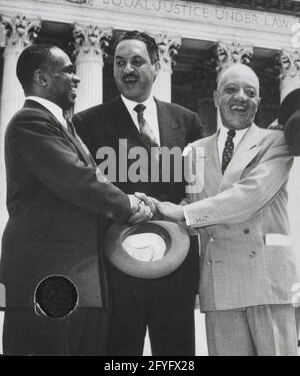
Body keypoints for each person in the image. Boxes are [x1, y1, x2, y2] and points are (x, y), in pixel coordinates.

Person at [0, 44, 152, 356]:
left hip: (81, 284)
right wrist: (129, 205)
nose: (77, 77)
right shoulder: (30, 122)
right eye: (68, 70)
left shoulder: (62, 126)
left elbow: (89, 179)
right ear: (42, 77)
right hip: (50, 281)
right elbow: (79, 180)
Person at [148, 63, 299, 356]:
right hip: (219, 284)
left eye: (250, 92)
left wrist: (184, 213)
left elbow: (249, 196)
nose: (240, 97)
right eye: (231, 89)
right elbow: (192, 204)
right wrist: (155, 209)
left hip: (266, 280)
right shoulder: (193, 151)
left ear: (259, 101)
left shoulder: (276, 142)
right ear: (216, 97)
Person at [73, 31, 203, 356]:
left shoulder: (188, 123)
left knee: (176, 359)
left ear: (156, 66)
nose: (127, 69)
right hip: (117, 270)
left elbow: (199, 193)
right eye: (119, 63)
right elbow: (86, 194)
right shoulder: (87, 124)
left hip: (175, 270)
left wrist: (178, 209)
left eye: (136, 61)